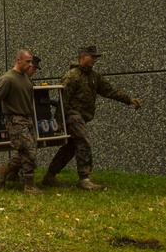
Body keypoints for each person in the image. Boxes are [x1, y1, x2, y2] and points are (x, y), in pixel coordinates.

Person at [42, 45, 142, 191]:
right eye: (93, 56)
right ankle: (84, 179)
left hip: (82, 117)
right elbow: (63, 101)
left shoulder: (94, 77)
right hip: (72, 115)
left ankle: (50, 176)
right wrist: (59, 122)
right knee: (83, 142)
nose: (95, 60)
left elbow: (109, 91)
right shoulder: (72, 76)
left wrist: (128, 99)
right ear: (83, 56)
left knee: (70, 147)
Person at [0, 49, 42, 194]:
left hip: (27, 119)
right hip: (15, 120)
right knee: (29, 151)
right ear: (18, 60)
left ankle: (4, 170)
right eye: (28, 62)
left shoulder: (25, 78)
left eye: (31, 61)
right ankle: (29, 185)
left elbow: (28, 102)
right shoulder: (8, 79)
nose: (31, 65)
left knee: (25, 150)